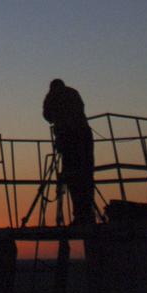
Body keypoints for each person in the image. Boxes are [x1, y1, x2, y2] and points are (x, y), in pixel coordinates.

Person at [42, 78, 95, 224]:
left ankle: (81, 214)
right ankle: (87, 213)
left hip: (69, 138)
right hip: (84, 136)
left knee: (72, 175)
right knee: (86, 175)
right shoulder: (73, 93)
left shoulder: (52, 96)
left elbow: (47, 116)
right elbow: (81, 108)